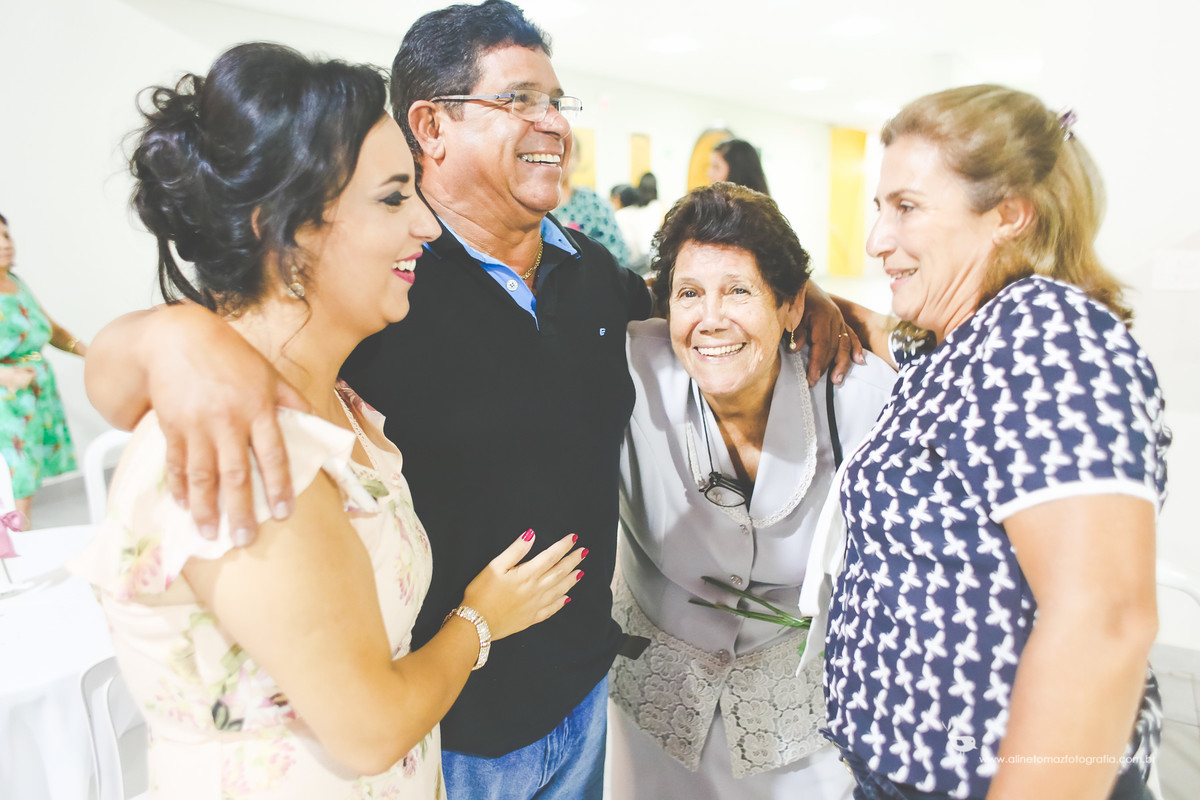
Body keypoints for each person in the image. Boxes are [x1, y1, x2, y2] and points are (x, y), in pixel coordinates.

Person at [83, 3, 861, 797]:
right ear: (431, 126)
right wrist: (174, 335)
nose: (553, 123)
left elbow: (702, 310)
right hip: (446, 731)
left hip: (579, 696)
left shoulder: (592, 274)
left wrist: (803, 300)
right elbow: (156, 365)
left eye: (556, 101)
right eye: (520, 99)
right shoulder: (376, 291)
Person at [73, 42, 583, 798]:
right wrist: (478, 621)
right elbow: (370, 727)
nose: (427, 226)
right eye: (393, 199)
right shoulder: (245, 439)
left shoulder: (333, 394)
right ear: (285, 230)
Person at [822, 85, 1167, 800]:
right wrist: (816, 300)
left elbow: (1103, 621)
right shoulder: (964, 341)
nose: (876, 239)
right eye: (880, 207)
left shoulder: (1046, 338)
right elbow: (903, 351)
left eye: (907, 207)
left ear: (1010, 214)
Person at [608, 183, 897, 799]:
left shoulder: (861, 400)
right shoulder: (627, 370)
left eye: (739, 291)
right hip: (653, 713)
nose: (711, 319)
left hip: (797, 728)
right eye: (690, 294)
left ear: (792, 306)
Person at [0, 211, 86, 524]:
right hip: (7, 400)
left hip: (34, 395)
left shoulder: (15, 283)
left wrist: (93, 353)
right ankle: (16, 549)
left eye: (6, 235)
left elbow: (50, 330)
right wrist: (7, 375)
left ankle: (19, 544)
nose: (5, 244)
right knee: (17, 481)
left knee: (27, 479)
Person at [554, 145, 633, 269]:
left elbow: (618, 252)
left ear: (577, 159)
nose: (561, 160)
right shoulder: (528, 205)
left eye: (568, 154)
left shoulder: (592, 203)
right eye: (555, 154)